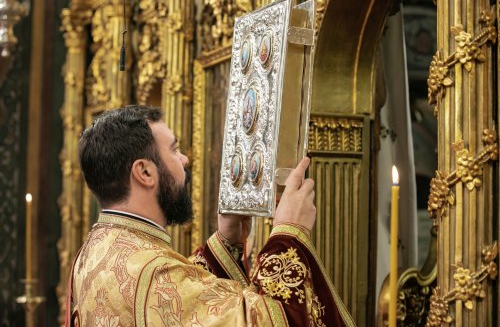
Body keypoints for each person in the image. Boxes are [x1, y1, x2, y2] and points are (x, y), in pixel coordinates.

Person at [66, 105, 355, 326]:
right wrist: (289, 234)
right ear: (144, 172)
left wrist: (224, 243)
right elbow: (270, 321)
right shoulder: (152, 272)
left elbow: (171, 308)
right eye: (174, 150)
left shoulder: (93, 253)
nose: (185, 160)